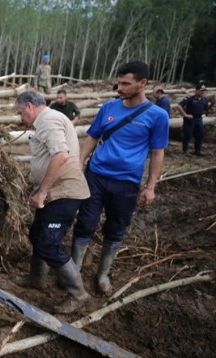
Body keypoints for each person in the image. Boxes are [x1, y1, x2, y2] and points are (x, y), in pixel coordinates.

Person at [71, 61, 169, 296]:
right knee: (85, 221)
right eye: (119, 82)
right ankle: (73, 271)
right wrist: (79, 163)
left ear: (142, 83)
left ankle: (102, 274)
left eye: (126, 83)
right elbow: (92, 137)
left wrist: (150, 186)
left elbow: (157, 152)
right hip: (96, 175)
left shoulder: (158, 116)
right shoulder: (108, 108)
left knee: (116, 227)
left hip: (127, 182)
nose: (120, 87)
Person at [14, 90, 91, 313]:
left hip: (64, 193)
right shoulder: (47, 121)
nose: (21, 119)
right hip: (53, 192)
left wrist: (42, 191)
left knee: (48, 244)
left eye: (20, 113)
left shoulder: (48, 120)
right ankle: (36, 279)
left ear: (29, 106)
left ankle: (78, 294)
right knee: (36, 235)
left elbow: (61, 156)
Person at [175, 82, 209, 156]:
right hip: (190, 119)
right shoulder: (190, 98)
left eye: (204, 90)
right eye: (201, 90)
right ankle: (185, 151)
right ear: (196, 90)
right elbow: (179, 106)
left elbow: (206, 109)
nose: (202, 92)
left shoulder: (204, 99)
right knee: (187, 135)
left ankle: (198, 150)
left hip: (199, 119)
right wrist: (184, 114)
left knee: (200, 135)